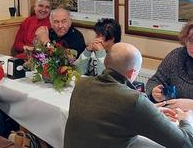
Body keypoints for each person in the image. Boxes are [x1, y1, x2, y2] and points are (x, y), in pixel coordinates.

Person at [64, 42, 193, 148]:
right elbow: (185, 143)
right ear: (132, 73)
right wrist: (186, 119)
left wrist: (150, 109)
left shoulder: (82, 84)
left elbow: (110, 113)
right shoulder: (133, 101)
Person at [146, 21, 193, 110]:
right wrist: (154, 92)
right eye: (191, 40)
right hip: (173, 116)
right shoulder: (176, 56)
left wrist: (191, 105)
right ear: (185, 40)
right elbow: (155, 80)